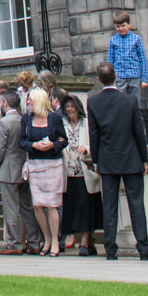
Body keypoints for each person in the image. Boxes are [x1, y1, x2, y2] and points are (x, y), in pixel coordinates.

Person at [87, 63, 148, 261]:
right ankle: (143, 249)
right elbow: (138, 132)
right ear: (116, 76)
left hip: (107, 158)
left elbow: (93, 135)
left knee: (110, 207)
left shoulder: (93, 102)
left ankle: (111, 249)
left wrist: (96, 160)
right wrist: (144, 158)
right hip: (130, 157)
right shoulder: (130, 100)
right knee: (136, 204)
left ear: (99, 80)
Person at [17, 87, 68, 256]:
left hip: (53, 164)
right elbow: (21, 141)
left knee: (52, 204)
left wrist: (53, 145)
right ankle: (46, 239)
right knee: (38, 205)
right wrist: (33, 145)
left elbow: (63, 140)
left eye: (31, 99)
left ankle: (55, 240)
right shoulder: (26, 119)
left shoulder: (54, 118)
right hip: (35, 164)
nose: (28, 102)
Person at [0, 89, 36, 254]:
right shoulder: (24, 120)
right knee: (27, 207)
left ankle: (15, 243)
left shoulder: (4, 123)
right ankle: (34, 242)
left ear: (4, 103)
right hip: (25, 168)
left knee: (11, 209)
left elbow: (0, 149)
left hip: (9, 169)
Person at [59, 94, 101, 255]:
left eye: (72, 106)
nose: (70, 109)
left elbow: (95, 142)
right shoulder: (62, 124)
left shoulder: (87, 124)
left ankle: (84, 243)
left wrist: (87, 149)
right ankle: (89, 243)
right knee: (74, 208)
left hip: (85, 172)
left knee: (86, 207)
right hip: (68, 173)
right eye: (67, 107)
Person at [108, 11, 148, 94]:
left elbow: (142, 59)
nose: (121, 29)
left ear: (129, 24)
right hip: (120, 77)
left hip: (134, 76)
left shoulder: (136, 38)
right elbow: (110, 61)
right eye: (118, 27)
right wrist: (111, 80)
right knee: (122, 103)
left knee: (134, 103)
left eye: (123, 26)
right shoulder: (113, 40)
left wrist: (144, 79)